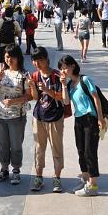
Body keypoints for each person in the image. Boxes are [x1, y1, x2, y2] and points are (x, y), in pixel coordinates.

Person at [60, 55, 106, 196]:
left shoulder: (84, 80)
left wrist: (100, 118)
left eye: (65, 67)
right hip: (78, 120)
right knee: (80, 150)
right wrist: (63, 85)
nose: (63, 70)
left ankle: (93, 186)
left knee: (89, 151)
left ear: (73, 66)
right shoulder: (69, 85)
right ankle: (86, 180)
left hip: (90, 119)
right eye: (61, 68)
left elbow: (96, 98)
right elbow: (66, 102)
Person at [0, 45, 32, 185]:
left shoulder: (24, 74)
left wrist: (14, 101)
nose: (9, 60)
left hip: (16, 116)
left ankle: (16, 171)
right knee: (2, 145)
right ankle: (3, 169)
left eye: (12, 57)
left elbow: (29, 96)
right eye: (6, 57)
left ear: (18, 57)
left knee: (16, 145)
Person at [28, 47, 66, 193]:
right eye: (34, 60)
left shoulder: (56, 75)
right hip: (39, 116)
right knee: (39, 148)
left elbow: (62, 97)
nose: (37, 63)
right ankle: (38, 177)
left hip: (55, 116)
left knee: (56, 148)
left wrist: (46, 89)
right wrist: (32, 87)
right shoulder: (35, 75)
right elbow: (36, 98)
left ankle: (57, 178)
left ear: (46, 59)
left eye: (40, 60)